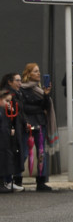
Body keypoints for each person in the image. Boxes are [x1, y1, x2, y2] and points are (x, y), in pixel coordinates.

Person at [20, 63, 53, 192]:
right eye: (35, 71)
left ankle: (41, 181)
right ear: (28, 74)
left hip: (40, 123)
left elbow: (46, 106)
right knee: (23, 152)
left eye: (39, 71)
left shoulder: (40, 88)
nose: (38, 74)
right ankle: (18, 179)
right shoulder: (22, 89)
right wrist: (38, 108)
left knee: (41, 153)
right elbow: (24, 107)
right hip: (27, 124)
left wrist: (46, 94)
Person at [0, 73, 27, 191]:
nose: (20, 83)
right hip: (3, 139)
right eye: (6, 101)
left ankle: (8, 181)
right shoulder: (2, 111)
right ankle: (5, 182)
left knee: (11, 156)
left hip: (9, 136)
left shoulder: (18, 96)